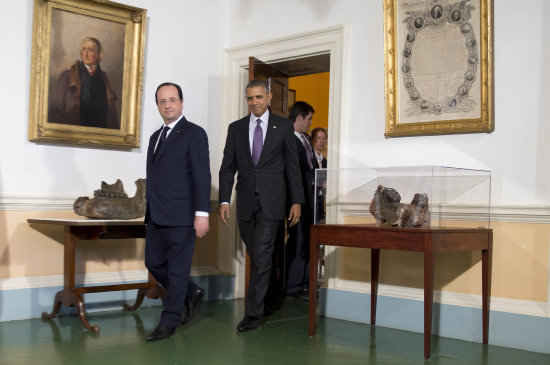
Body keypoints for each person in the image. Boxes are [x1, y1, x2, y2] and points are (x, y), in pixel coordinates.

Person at [219, 79, 304, 332]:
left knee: (264, 256)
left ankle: (252, 315)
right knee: (258, 256)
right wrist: (224, 199)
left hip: (272, 202)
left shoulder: (284, 127)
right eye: (249, 98)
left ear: (268, 97)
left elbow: (292, 167)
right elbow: (227, 168)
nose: (254, 102)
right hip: (245, 202)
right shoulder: (235, 128)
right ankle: (271, 295)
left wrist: (297, 201)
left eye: (258, 97)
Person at [144, 82, 210, 341]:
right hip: (156, 216)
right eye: (163, 101)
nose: (168, 105)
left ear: (181, 102)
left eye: (173, 100)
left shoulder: (195, 133)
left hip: (183, 216)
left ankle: (168, 323)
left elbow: (201, 175)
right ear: (158, 105)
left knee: (177, 271)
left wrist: (202, 213)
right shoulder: (154, 137)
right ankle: (190, 292)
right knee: (153, 262)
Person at [48, 37, 119, 129]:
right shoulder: (66, 76)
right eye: (83, 49)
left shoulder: (104, 80)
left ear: (99, 55)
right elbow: (54, 112)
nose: (85, 54)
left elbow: (112, 117)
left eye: (90, 50)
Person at [285, 101, 316, 301]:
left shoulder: (305, 140)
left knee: (307, 242)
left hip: (309, 200)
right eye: (309, 119)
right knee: (297, 242)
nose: (310, 123)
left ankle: (305, 283)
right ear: (299, 118)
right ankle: (291, 286)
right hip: (294, 201)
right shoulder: (287, 139)